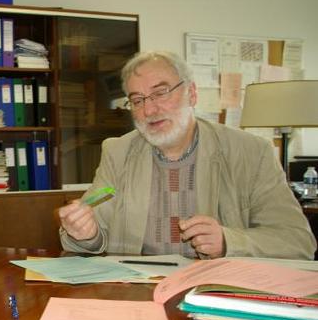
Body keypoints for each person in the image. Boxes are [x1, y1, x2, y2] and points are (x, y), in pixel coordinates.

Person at [58, 50, 316, 260]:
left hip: (216, 293)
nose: (149, 109)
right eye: (137, 100)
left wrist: (229, 241)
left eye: (160, 93)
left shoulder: (250, 152)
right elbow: (94, 231)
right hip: (139, 291)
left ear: (191, 93)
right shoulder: (117, 152)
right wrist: (84, 233)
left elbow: (299, 241)